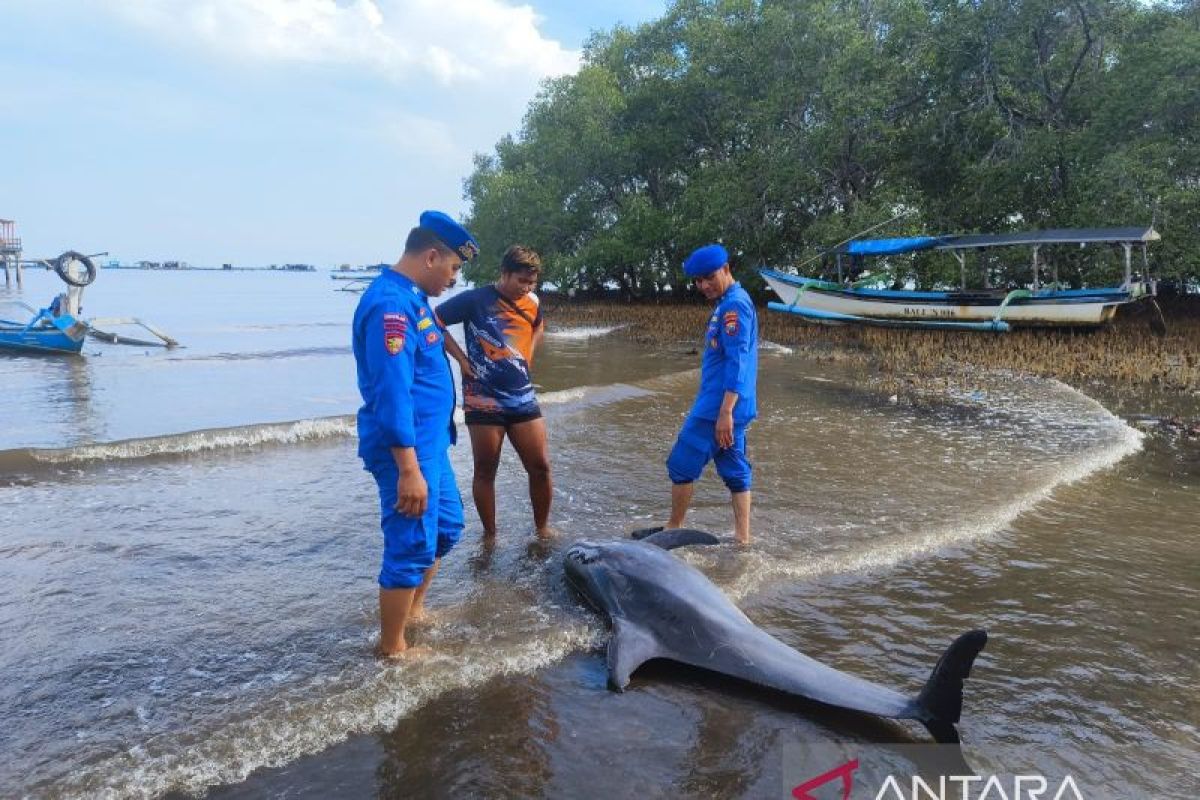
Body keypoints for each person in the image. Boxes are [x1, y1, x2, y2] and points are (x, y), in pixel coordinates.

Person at [352, 209, 478, 657]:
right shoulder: (391, 306)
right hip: (405, 450)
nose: (454, 279)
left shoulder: (414, 298)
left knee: (447, 528)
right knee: (410, 544)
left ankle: (413, 612)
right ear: (431, 257)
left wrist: (464, 363)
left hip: (431, 443)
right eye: (454, 268)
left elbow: (433, 348)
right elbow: (391, 392)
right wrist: (407, 468)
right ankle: (393, 648)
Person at [435, 245, 553, 539]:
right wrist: (461, 360)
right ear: (504, 273)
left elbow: (538, 326)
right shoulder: (476, 299)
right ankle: (491, 535)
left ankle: (542, 529)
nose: (526, 289)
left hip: (523, 397)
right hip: (482, 398)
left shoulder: (532, 303)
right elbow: (433, 321)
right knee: (486, 471)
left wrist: (528, 355)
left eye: (532, 283)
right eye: (521, 281)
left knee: (540, 468)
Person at [660, 243, 758, 544]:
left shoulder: (733, 306)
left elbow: (738, 360)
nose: (703, 285)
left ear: (726, 269)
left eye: (709, 277)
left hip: (717, 408)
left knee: (681, 463)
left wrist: (725, 411)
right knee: (733, 467)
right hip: (732, 405)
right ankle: (743, 539)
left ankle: (673, 530)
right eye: (698, 280)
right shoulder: (731, 301)